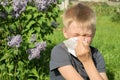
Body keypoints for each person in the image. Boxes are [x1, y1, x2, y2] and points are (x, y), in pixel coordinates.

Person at [49, 2, 108, 80]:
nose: (81, 40)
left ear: (93, 33)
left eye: (86, 35)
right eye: (76, 35)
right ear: (65, 32)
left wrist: (88, 60)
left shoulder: (96, 55)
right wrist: (86, 61)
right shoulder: (59, 52)